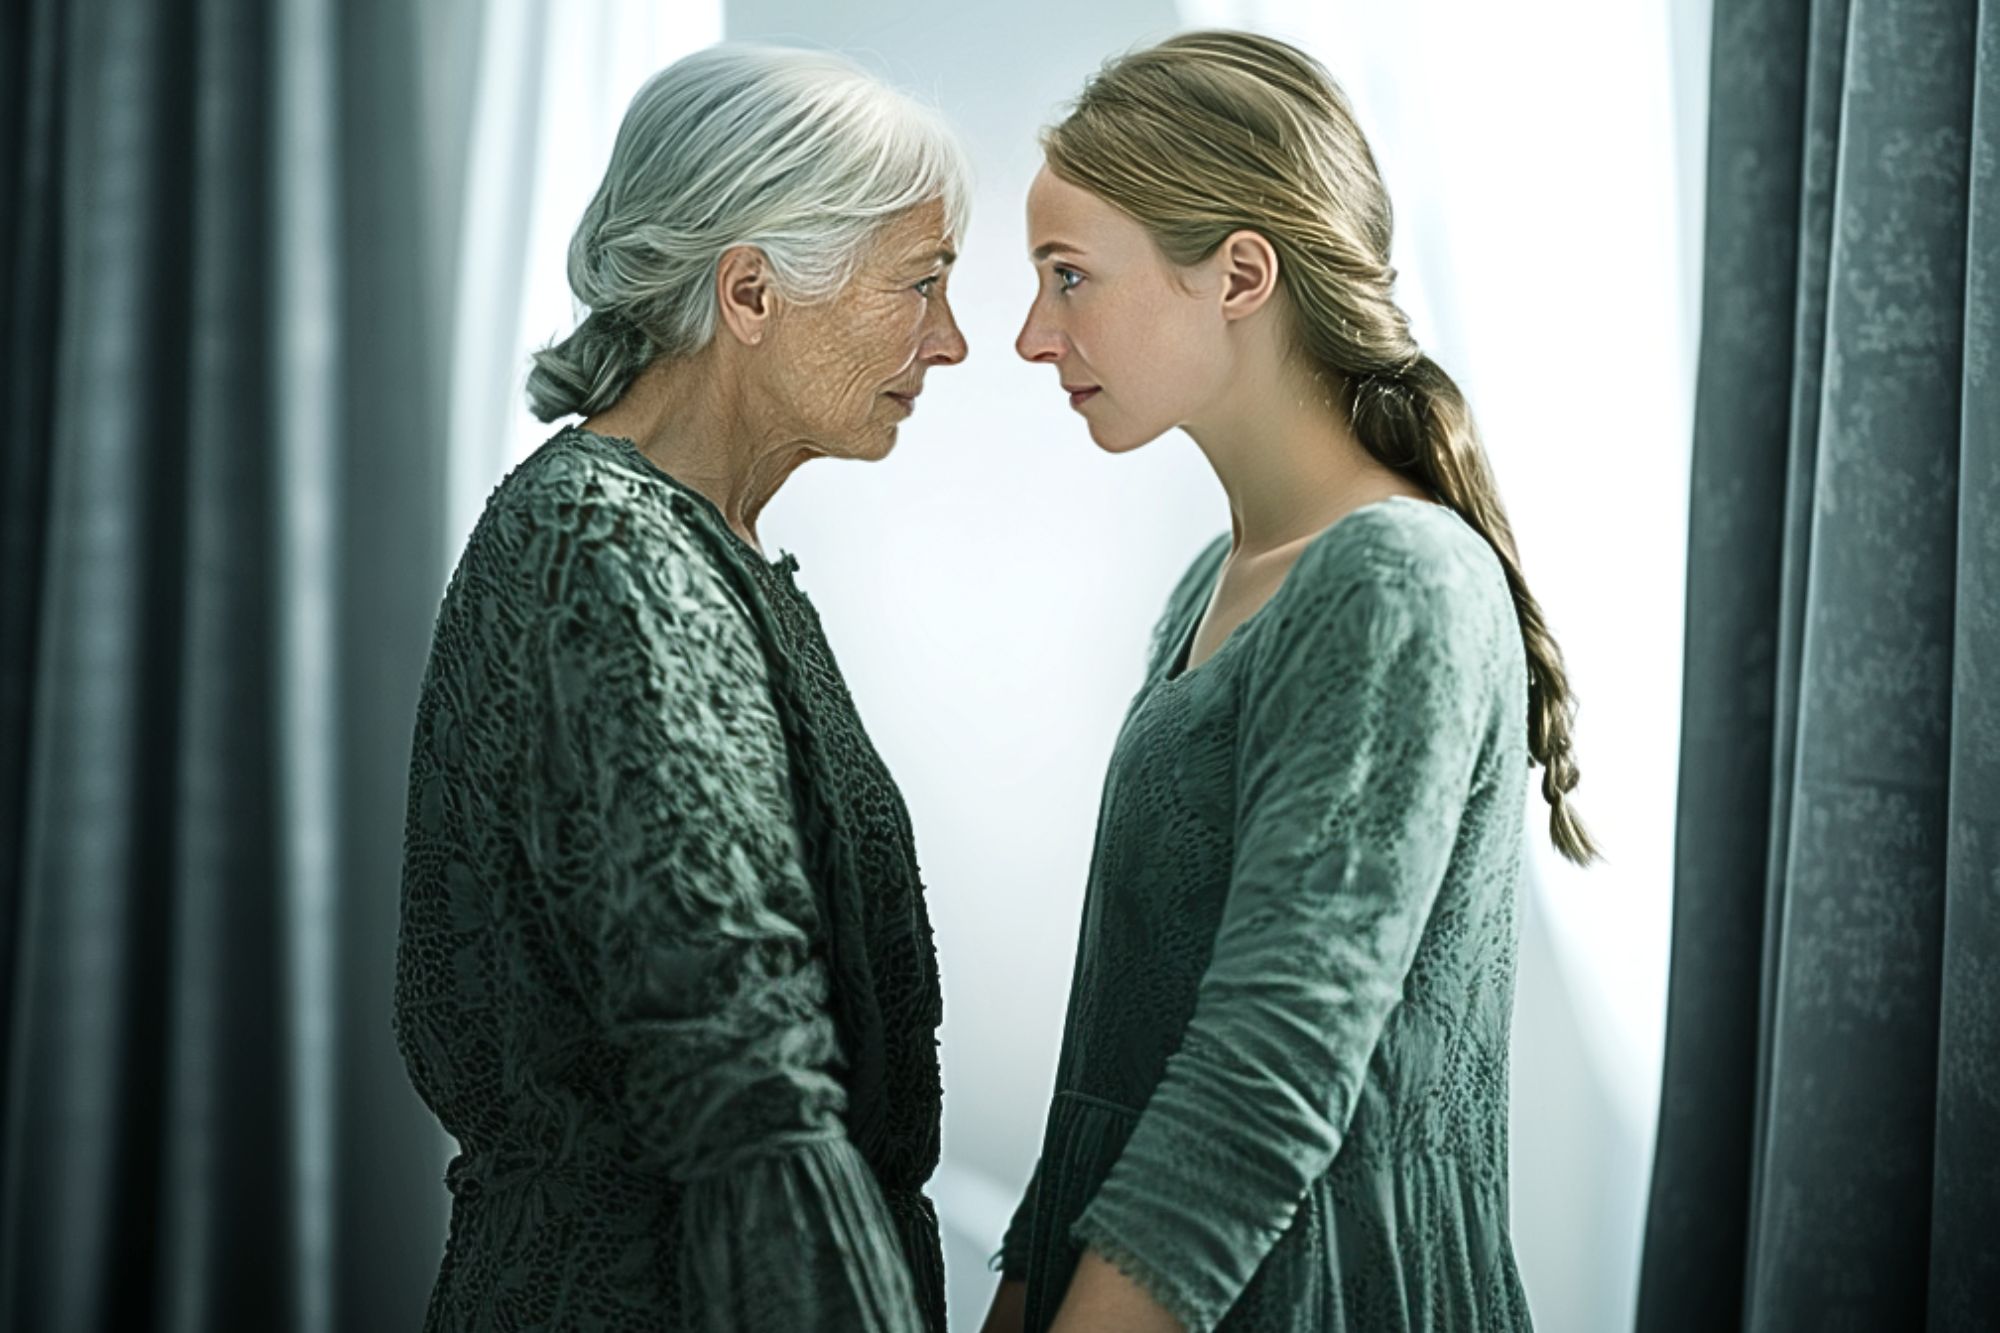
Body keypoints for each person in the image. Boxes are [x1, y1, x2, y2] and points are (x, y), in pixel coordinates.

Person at [982, 29, 1597, 1333]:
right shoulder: (1212, 587)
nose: (1034, 335)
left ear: (1240, 275)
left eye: (1069, 276)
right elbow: (1110, 1067)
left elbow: (1263, 1079)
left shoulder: (1394, 586)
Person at [393, 43, 968, 1332]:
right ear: (751, 290)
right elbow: (743, 1068)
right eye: (921, 284)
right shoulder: (610, 547)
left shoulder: (705, 547)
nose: (954, 341)